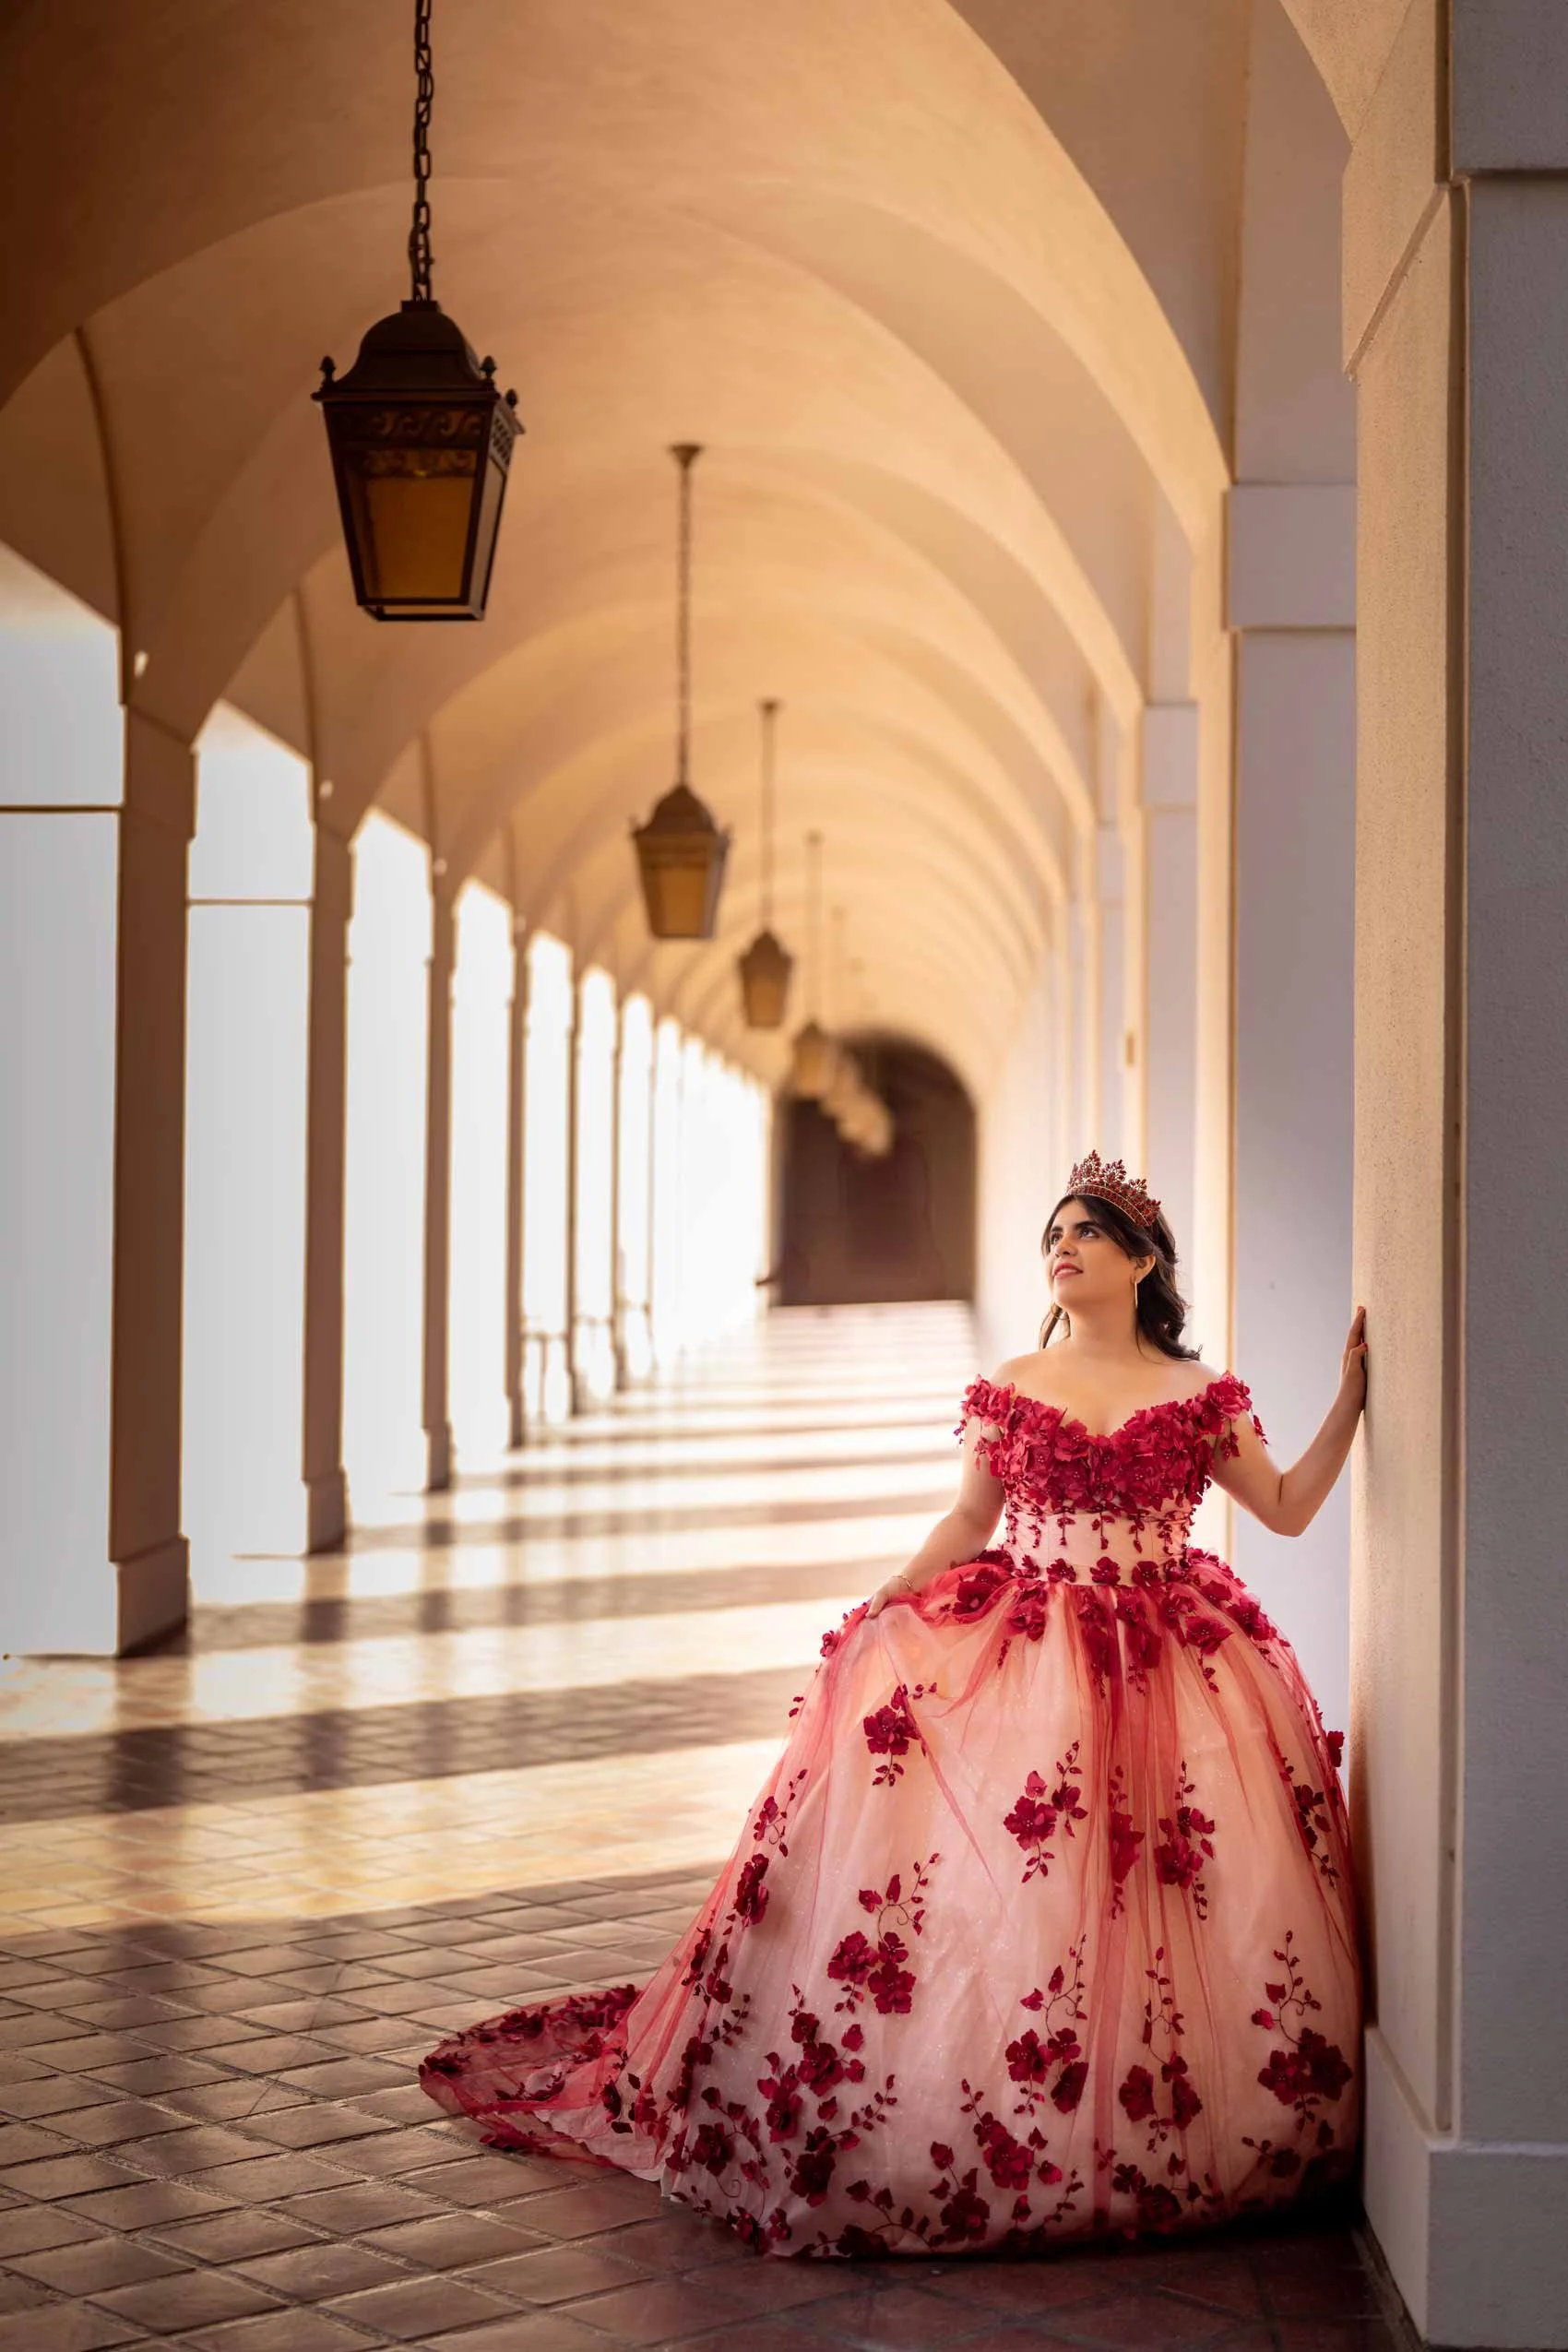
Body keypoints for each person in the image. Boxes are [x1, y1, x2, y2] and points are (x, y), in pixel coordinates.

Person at [421, 1151, 1365, 2259]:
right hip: (1036, 1653)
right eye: (1050, 1237)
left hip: (1173, 1649)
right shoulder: (1014, 1380)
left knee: (1167, 1883)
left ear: (1142, 1260)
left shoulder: (1200, 1396)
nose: (1060, 1250)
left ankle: (1157, 2128)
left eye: (1085, 1235)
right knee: (1026, 1890)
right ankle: (1026, 2122)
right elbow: (970, 1523)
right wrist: (889, 1597)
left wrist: (1349, 1398)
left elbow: (1289, 1509)